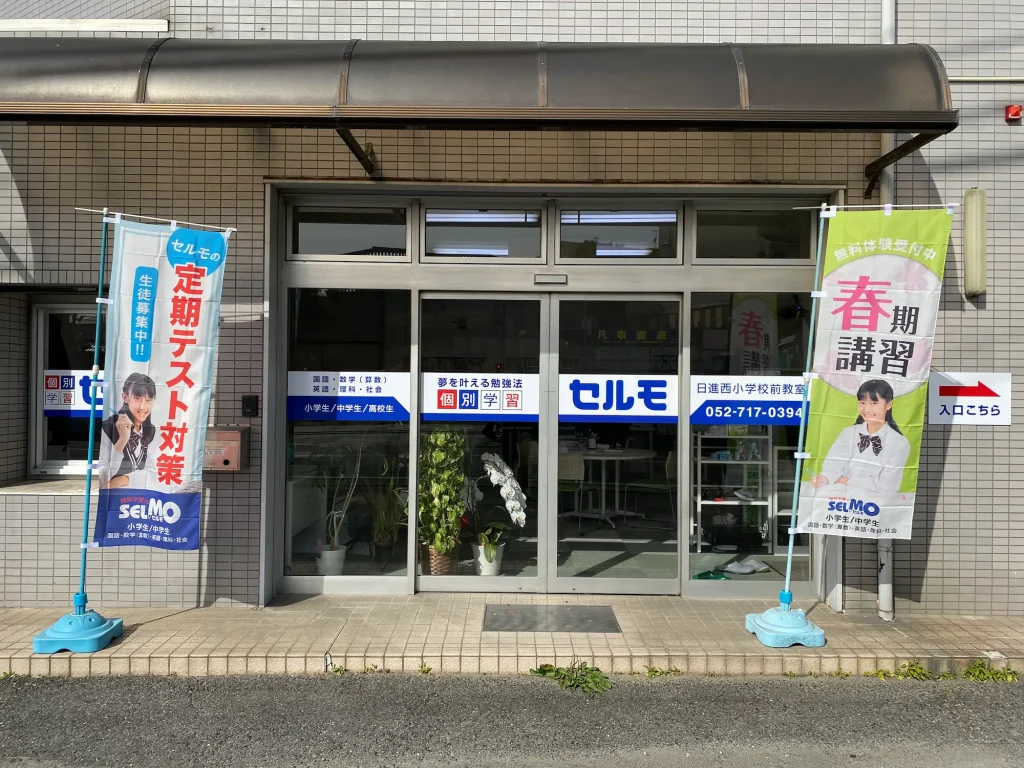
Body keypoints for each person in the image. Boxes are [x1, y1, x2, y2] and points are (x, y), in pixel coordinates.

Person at [810, 379, 910, 499]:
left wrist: (847, 480)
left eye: (874, 403)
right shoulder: (848, 433)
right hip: (840, 499)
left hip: (876, 503)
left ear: (888, 405)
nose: (866, 409)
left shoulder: (899, 443)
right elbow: (832, 465)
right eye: (862, 402)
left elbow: (887, 485)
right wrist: (824, 478)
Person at [100, 373, 156, 489]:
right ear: (125, 397)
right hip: (114, 496)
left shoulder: (151, 431)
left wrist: (123, 480)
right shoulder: (107, 427)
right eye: (137, 398)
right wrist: (123, 439)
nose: (143, 407)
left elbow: (153, 473)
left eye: (148, 400)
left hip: (142, 495)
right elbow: (104, 474)